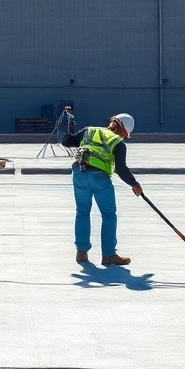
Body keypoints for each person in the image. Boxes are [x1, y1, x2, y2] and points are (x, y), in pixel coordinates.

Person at [61, 109, 143, 265]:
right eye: (125, 135)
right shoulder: (117, 142)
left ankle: (81, 253)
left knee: (82, 212)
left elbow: (66, 141)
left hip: (79, 172)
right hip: (100, 178)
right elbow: (120, 169)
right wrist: (134, 184)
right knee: (109, 215)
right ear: (122, 131)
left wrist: (69, 126)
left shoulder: (89, 131)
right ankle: (109, 255)